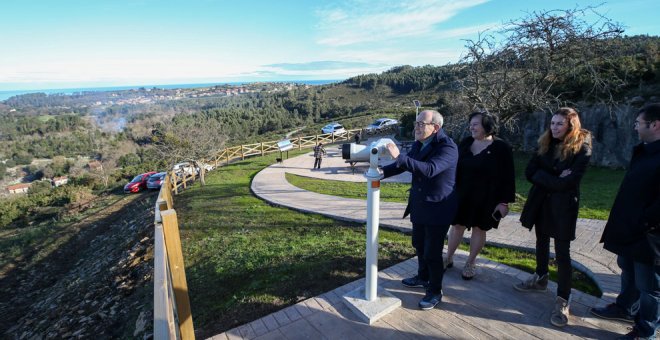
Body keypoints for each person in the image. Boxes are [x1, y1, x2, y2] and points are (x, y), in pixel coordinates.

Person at [513, 107, 592, 328]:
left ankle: (563, 299)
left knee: (562, 253)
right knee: (541, 241)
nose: (554, 127)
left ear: (570, 126)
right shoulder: (545, 144)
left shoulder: (582, 149)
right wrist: (556, 176)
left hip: (563, 207)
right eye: (552, 123)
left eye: (559, 124)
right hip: (541, 202)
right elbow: (529, 172)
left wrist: (545, 177)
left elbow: (568, 182)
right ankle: (540, 278)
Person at [590, 103, 660, 340]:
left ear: (655, 125)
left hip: (649, 234)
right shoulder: (644, 150)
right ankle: (625, 308)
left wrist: (645, 222)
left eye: (639, 123)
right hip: (629, 228)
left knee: (649, 286)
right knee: (627, 270)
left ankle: (645, 331)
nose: (635, 127)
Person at [381, 109, 458, 310]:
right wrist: (379, 173)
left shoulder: (447, 147)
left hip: (437, 208)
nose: (416, 127)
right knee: (419, 244)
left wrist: (399, 156)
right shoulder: (419, 144)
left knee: (432, 253)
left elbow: (430, 169)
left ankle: (434, 291)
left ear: (436, 127)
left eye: (421, 124)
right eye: (416, 123)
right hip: (419, 205)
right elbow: (401, 166)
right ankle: (423, 277)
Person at [445, 111, 516, 280]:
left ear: (487, 126)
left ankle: (470, 262)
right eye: (471, 123)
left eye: (475, 123)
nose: (471, 127)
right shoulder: (466, 142)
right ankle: (447, 258)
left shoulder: (501, 148)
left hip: (487, 198)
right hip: (462, 194)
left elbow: (508, 176)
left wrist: (504, 202)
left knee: (479, 228)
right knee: (456, 226)